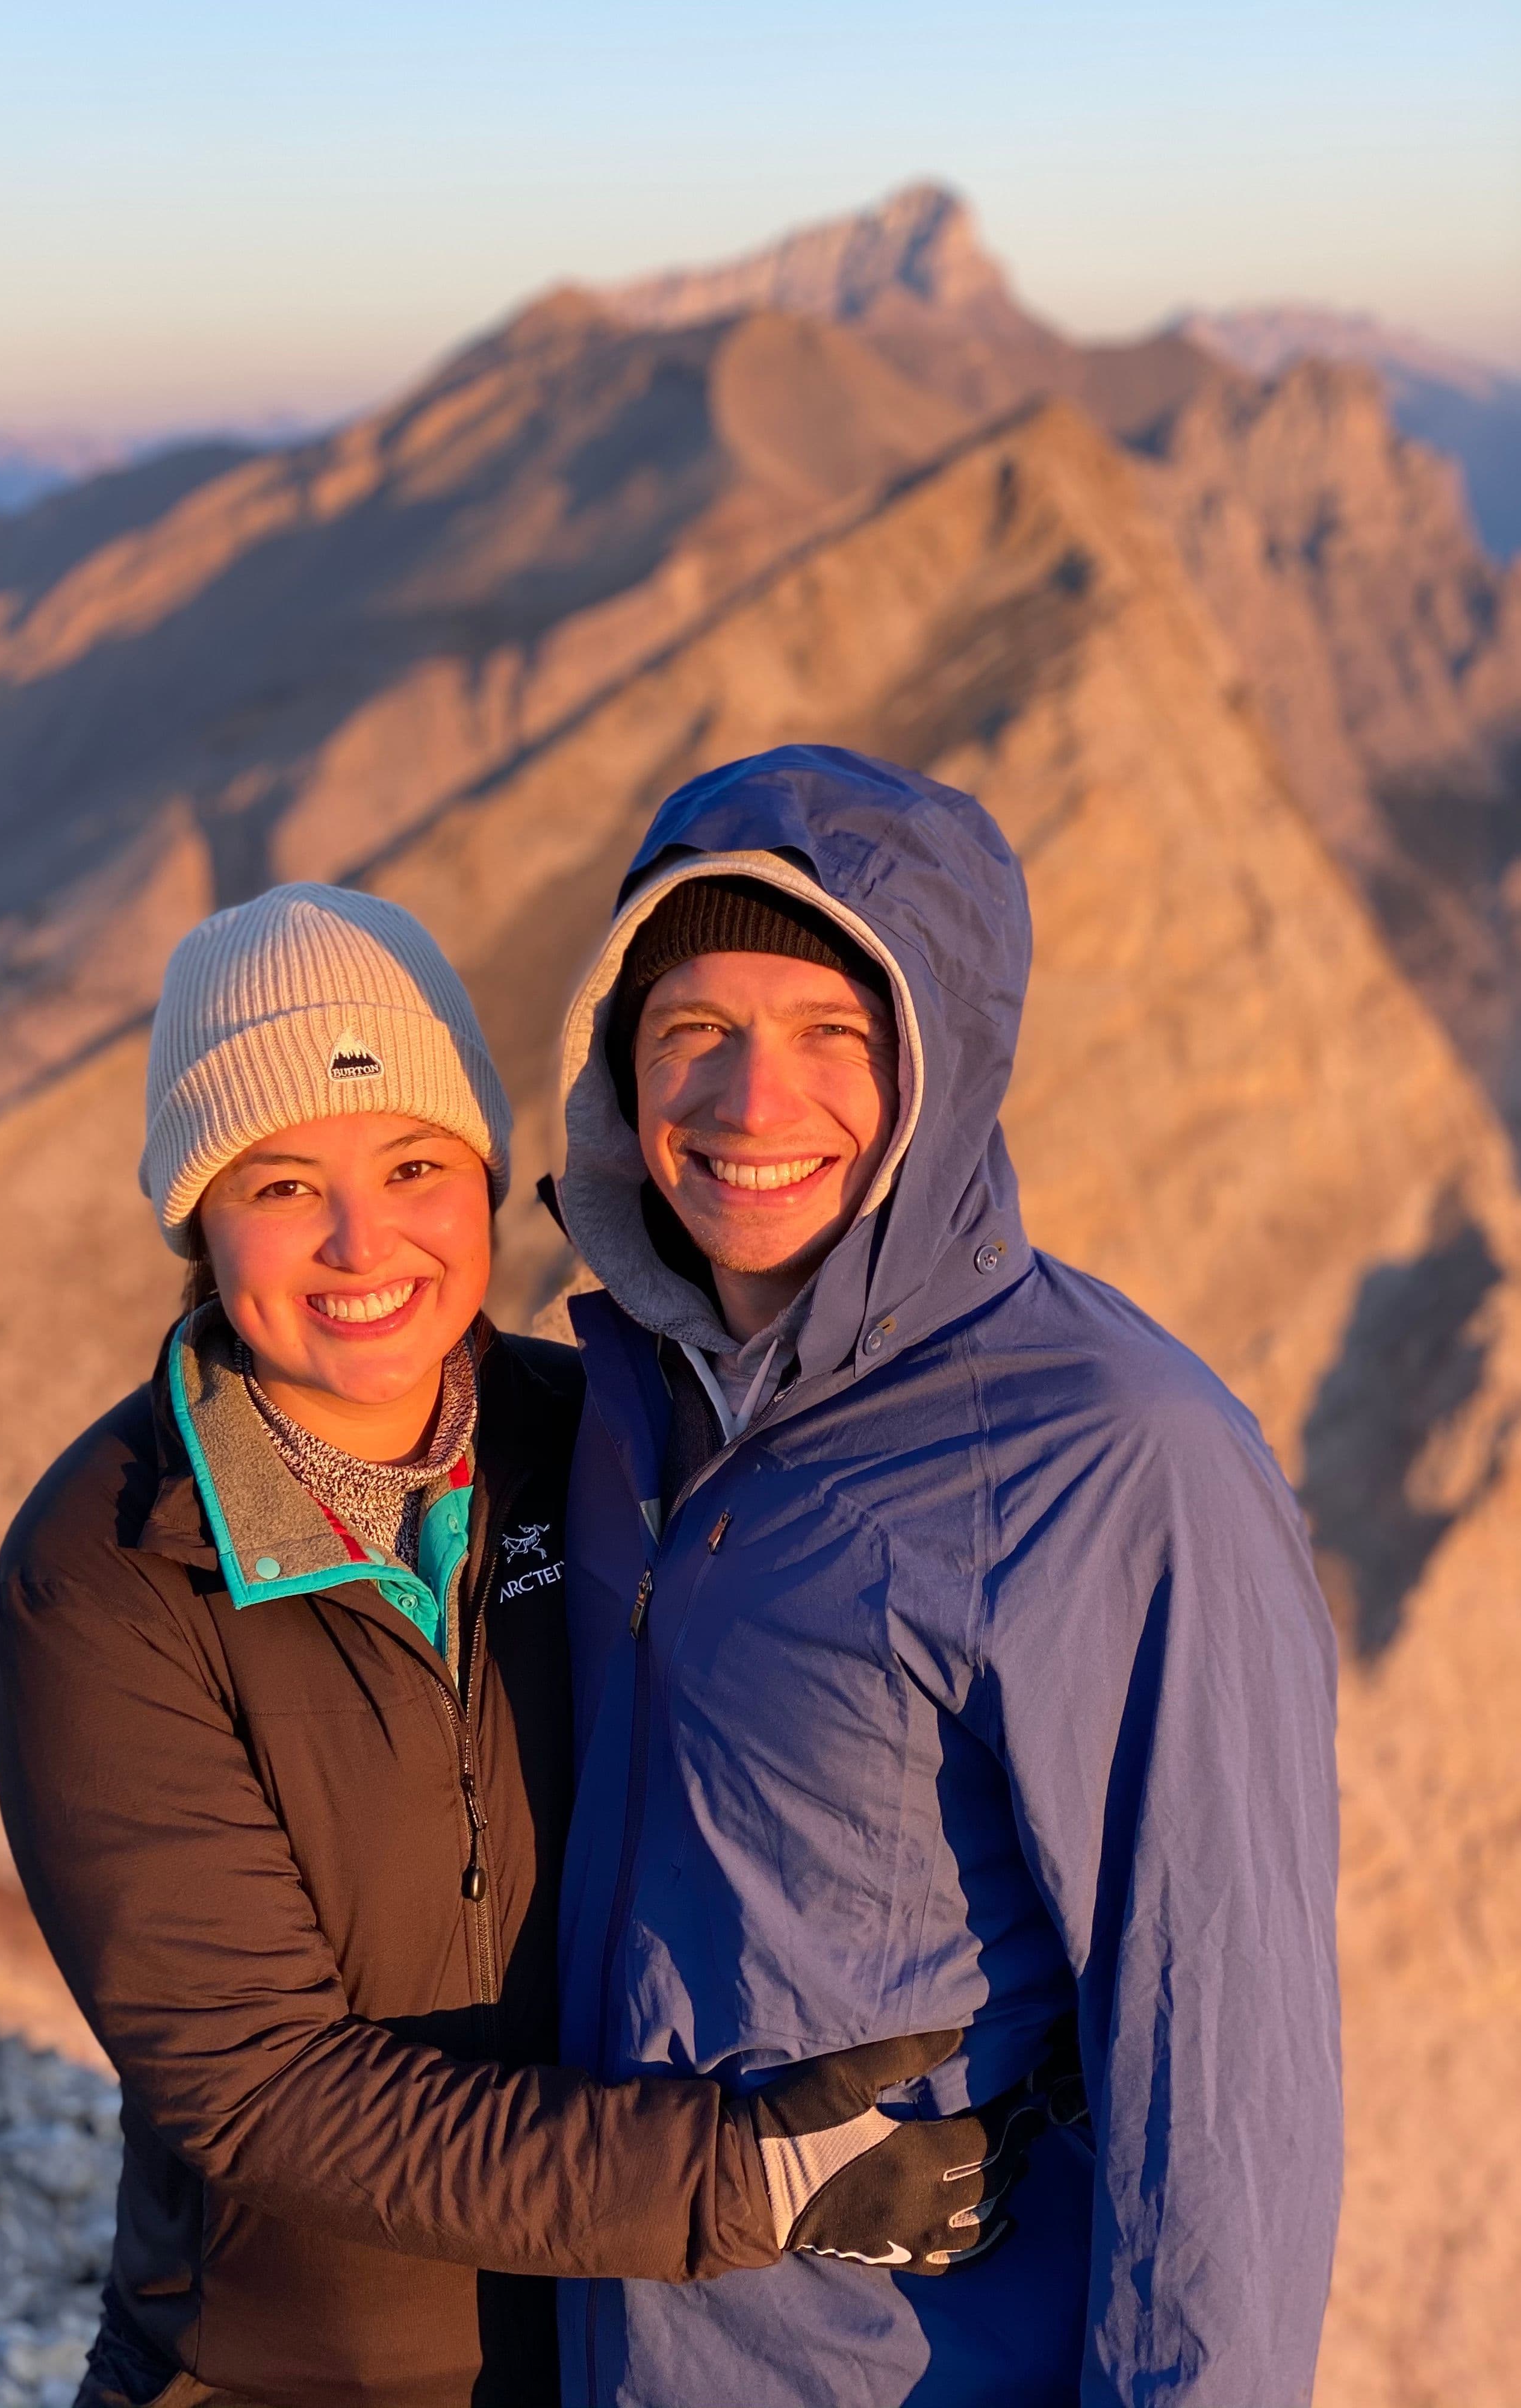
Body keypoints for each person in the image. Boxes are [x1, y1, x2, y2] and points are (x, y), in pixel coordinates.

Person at [0, 882, 1017, 2408]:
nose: (362, 1242)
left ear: (485, 1177)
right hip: (284, 2378)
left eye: (414, 1164)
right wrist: (749, 2181)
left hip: (649, 2358)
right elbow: (265, 2092)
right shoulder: (111, 1571)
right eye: (281, 1184)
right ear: (196, 1217)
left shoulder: (617, 1444)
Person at [550, 745, 1343, 2406]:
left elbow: (1222, 2078)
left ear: (937, 1071)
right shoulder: (628, 1415)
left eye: (833, 1035)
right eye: (693, 1030)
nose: (751, 1106)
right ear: (621, 1072)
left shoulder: (1115, 1457)